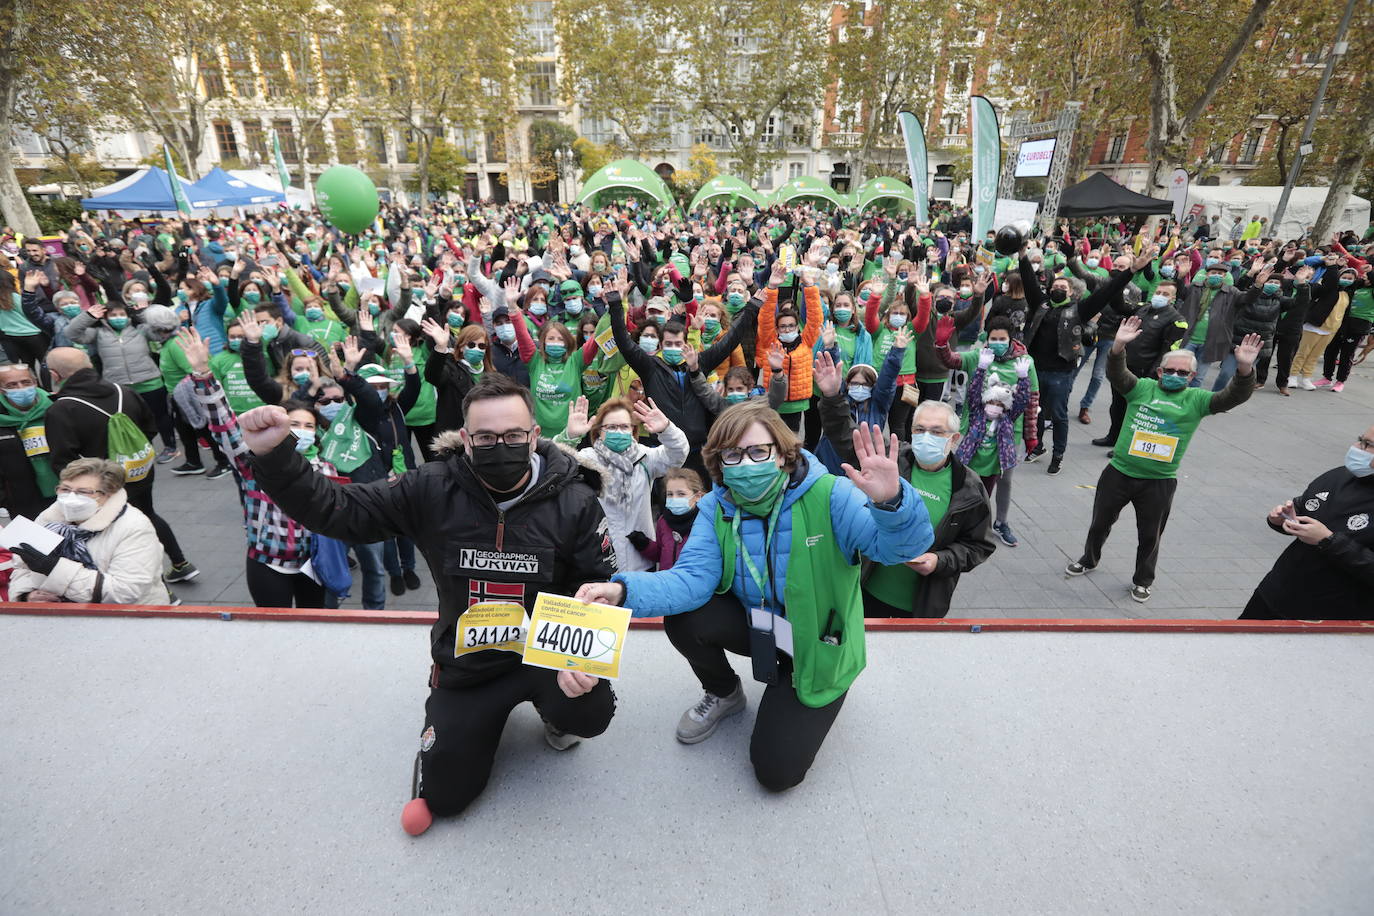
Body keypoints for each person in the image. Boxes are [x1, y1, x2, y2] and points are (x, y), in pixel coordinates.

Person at [237, 373, 618, 837]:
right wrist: (274, 456)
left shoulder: (575, 499)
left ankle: (555, 716)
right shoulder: (430, 489)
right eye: (485, 437)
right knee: (445, 798)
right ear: (465, 439)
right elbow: (339, 509)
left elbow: (596, 582)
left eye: (515, 435)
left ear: (534, 436)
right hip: (468, 666)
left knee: (590, 710)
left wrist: (579, 662)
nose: (502, 445)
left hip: (543, 654)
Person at [575, 401, 932, 791]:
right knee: (687, 616)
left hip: (817, 643)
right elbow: (691, 579)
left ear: (782, 454)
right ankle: (725, 694)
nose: (746, 463)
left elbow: (896, 550)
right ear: (719, 462)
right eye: (733, 454)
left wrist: (891, 503)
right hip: (760, 628)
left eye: (758, 451)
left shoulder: (831, 495)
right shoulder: (716, 508)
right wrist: (621, 589)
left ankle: (807, 683)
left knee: (775, 773)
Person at [1065, 317, 1262, 603]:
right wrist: (1119, 344)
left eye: (1182, 373)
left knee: (1150, 536)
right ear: (1159, 372)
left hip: (1158, 482)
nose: (1175, 375)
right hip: (1118, 473)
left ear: (1192, 377)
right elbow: (1117, 373)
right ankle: (1089, 559)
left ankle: (1143, 580)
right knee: (1099, 524)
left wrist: (1244, 367)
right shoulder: (1142, 388)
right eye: (1170, 370)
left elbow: (1234, 396)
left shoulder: (1197, 400)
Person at [816, 363, 994, 618]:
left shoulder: (969, 489)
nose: (926, 437)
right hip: (866, 590)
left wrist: (940, 561)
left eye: (937, 431)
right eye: (920, 429)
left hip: (921, 605)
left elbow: (978, 545)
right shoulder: (891, 463)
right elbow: (847, 436)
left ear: (954, 439)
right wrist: (833, 397)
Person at [178, 328, 333, 608]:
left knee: (315, 624)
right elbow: (224, 426)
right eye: (293, 424)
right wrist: (202, 372)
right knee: (273, 628)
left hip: (313, 563)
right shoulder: (255, 462)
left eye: (309, 426)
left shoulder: (326, 467)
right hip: (268, 563)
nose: (301, 431)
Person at [42, 347, 197, 585]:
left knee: (121, 536)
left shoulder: (62, 409)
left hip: (102, 486)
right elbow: (150, 428)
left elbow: (63, 461)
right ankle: (180, 563)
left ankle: (160, 589)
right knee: (147, 515)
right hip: (139, 472)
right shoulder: (124, 391)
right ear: (91, 365)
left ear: (54, 374)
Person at [1019, 245, 1146, 475]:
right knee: (1035, 411)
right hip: (1035, 370)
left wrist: (1130, 272)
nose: (1058, 289)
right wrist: (1022, 256)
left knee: (1058, 415)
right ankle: (1036, 446)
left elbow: (1106, 293)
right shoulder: (1041, 305)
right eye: (1055, 286)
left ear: (1071, 293)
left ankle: (1058, 455)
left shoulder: (1080, 310)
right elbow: (1028, 280)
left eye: (1063, 287)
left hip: (1061, 372)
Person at [1240, 424, 1374, 619]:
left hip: (1329, 617)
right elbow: (1305, 508)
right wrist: (1283, 519)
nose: (1356, 448)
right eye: (1360, 439)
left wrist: (1329, 541)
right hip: (1274, 595)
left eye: (1367, 445)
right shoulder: (1338, 476)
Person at [934, 314, 1039, 546]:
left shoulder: (1025, 362)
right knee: (967, 476)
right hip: (976, 432)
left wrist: (1032, 437)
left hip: (1010, 433)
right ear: (987, 339)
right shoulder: (980, 357)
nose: (997, 342)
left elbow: (1031, 399)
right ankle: (957, 518)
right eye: (993, 338)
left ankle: (1000, 522)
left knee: (1005, 479)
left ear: (1011, 339)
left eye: (1002, 338)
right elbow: (951, 360)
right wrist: (942, 344)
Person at [8, 458, 171, 606]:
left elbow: (126, 592)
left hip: (125, 622)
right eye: (65, 489)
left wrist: (55, 569)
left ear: (108, 494)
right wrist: (26, 595)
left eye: (83, 492)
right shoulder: (49, 518)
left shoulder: (135, 527)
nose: (71, 497)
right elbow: (21, 566)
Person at [0, 362, 57, 520]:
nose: (20, 388)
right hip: (22, 500)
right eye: (12, 385)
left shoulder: (56, 407)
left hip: (64, 492)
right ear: (1, 389)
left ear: (35, 382)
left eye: (26, 382)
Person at [638, 467, 705, 571]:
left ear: (698, 496)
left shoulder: (706, 524)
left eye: (681, 494)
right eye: (670, 494)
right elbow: (661, 554)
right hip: (667, 584)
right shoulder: (663, 521)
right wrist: (645, 545)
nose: (674, 498)